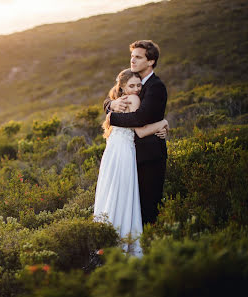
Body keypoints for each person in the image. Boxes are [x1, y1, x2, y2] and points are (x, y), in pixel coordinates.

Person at [94, 68, 168, 257]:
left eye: (138, 85)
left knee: (112, 192)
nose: (136, 89)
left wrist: (110, 108)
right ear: (123, 87)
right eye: (131, 85)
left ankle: (106, 240)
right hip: (125, 152)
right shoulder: (134, 100)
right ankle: (125, 241)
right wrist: (163, 123)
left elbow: (113, 112)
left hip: (112, 152)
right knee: (125, 194)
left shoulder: (117, 101)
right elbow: (141, 131)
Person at [103, 40, 168, 225]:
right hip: (129, 156)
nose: (133, 60)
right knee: (129, 208)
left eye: (138, 57)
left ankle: (149, 250)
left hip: (149, 157)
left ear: (151, 61)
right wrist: (111, 105)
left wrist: (111, 118)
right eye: (132, 56)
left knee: (147, 210)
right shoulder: (131, 79)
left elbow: (140, 119)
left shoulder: (156, 87)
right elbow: (110, 97)